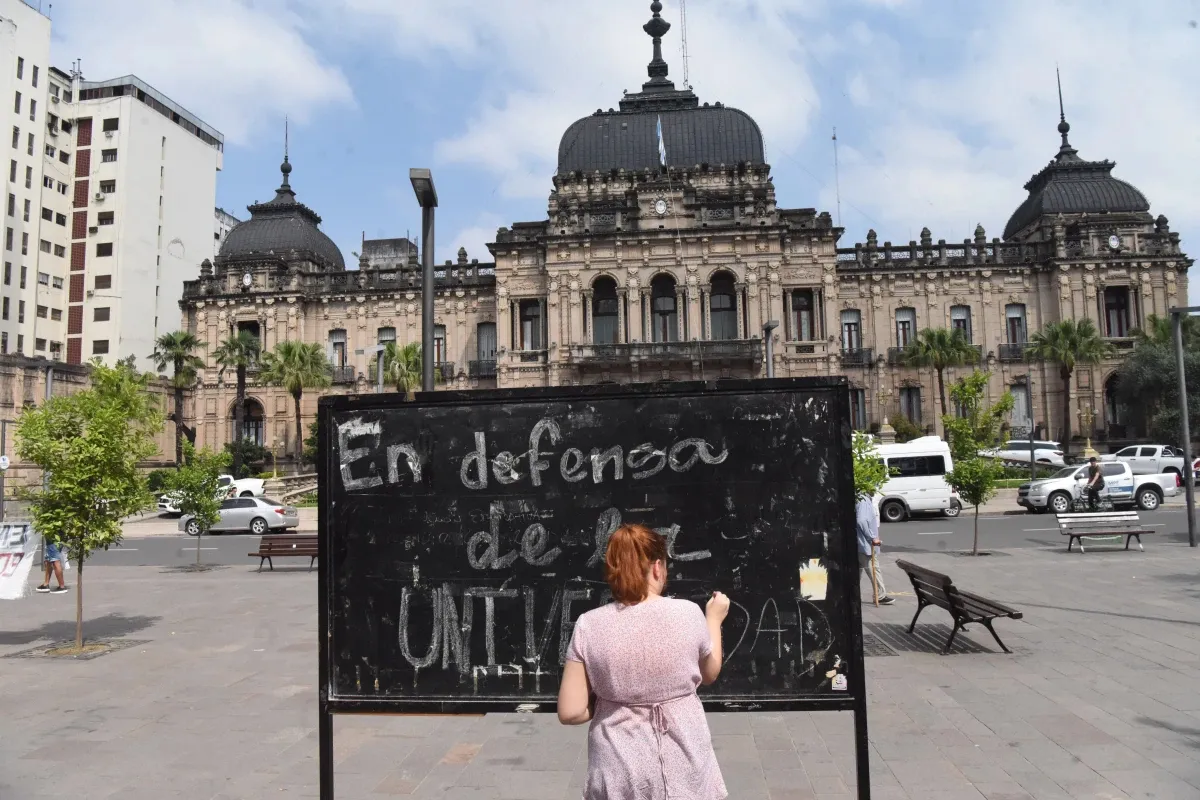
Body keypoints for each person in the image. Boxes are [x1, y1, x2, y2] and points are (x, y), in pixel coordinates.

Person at [557, 523, 729, 800]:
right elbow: (709, 673)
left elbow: (571, 711)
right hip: (684, 762)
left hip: (619, 767)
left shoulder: (589, 625)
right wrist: (715, 619)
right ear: (657, 567)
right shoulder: (688, 613)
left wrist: (613, 701)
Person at [857, 495, 894, 605]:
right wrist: (872, 537)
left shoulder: (858, 497)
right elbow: (861, 520)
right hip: (864, 544)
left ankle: (852, 595)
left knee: (858, 571)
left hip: (858, 543)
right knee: (873, 568)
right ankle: (880, 595)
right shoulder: (863, 499)